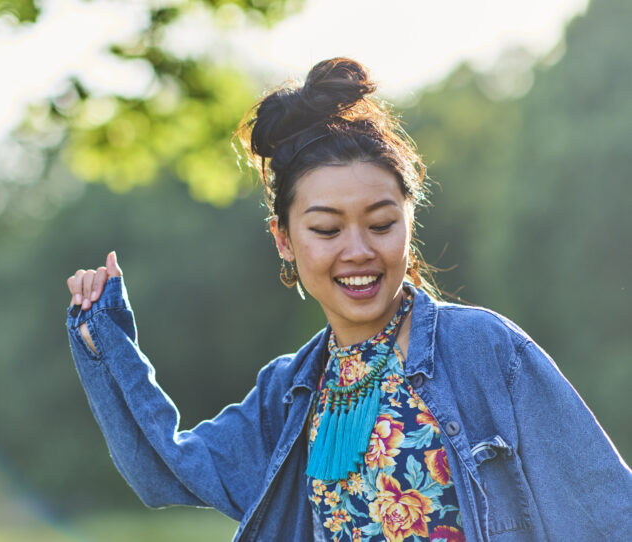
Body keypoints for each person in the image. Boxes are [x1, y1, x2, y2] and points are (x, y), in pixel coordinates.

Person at [64, 58, 632, 542]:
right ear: (284, 240)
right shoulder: (288, 393)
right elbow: (167, 471)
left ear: (408, 225)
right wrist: (106, 343)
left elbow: (609, 513)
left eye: (381, 224)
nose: (358, 251)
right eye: (327, 230)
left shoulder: (486, 351)